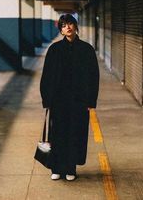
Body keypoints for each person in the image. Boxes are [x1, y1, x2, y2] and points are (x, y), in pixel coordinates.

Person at [40, 13, 99, 181]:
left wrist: (91, 101)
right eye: (64, 25)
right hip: (58, 100)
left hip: (79, 101)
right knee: (58, 133)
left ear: (76, 26)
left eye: (70, 24)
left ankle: (71, 168)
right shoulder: (55, 49)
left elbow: (94, 76)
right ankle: (56, 168)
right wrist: (47, 99)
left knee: (75, 133)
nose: (68, 27)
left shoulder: (86, 49)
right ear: (61, 29)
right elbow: (47, 76)